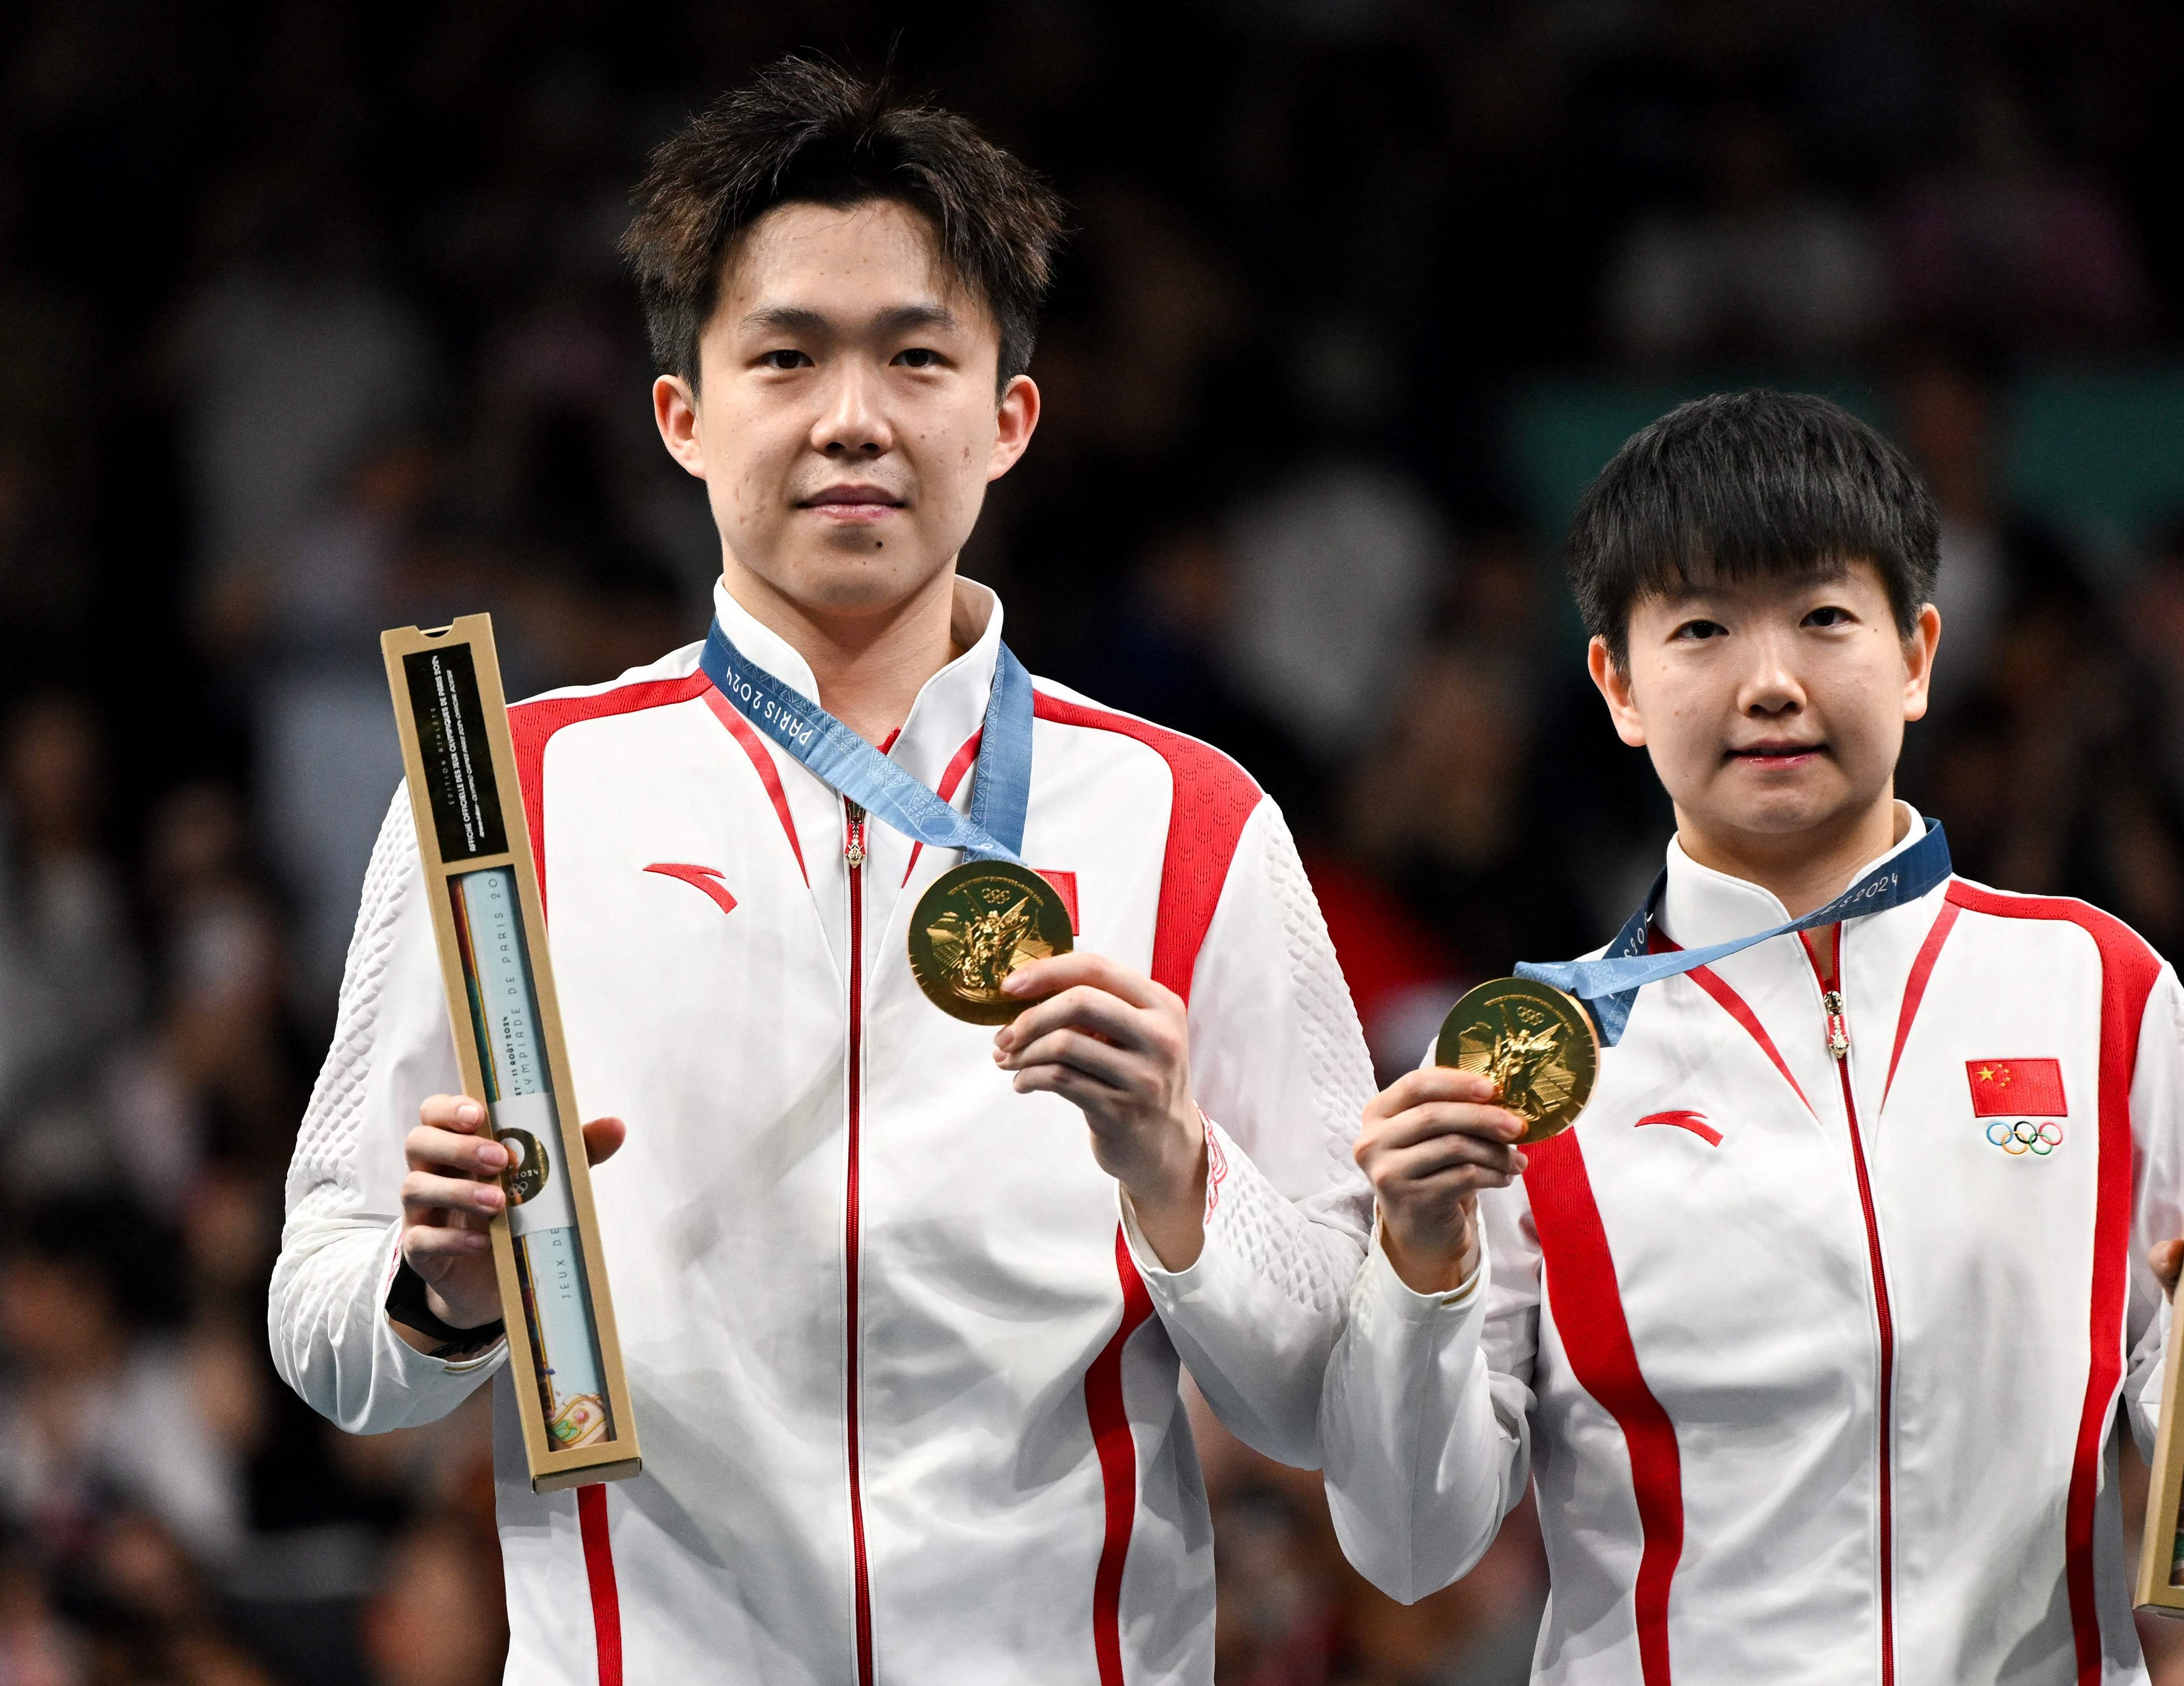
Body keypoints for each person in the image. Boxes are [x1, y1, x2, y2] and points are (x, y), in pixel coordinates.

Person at [268, 59, 1375, 1686]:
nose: (853, 417)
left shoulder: (1187, 816)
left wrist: (1177, 1173)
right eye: (785, 356)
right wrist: (435, 1296)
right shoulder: (510, 797)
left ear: (1008, 418)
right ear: (683, 417)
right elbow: (321, 1327)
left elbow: (1338, 1388)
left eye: (916, 357)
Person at [1322, 392, 2184, 1685]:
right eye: (1701, 629)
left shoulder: (2097, 989)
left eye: (1822, 617)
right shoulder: (1531, 1071)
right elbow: (1410, 1546)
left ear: (1916, 655)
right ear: (1618, 686)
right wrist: (1418, 1267)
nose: (1770, 684)